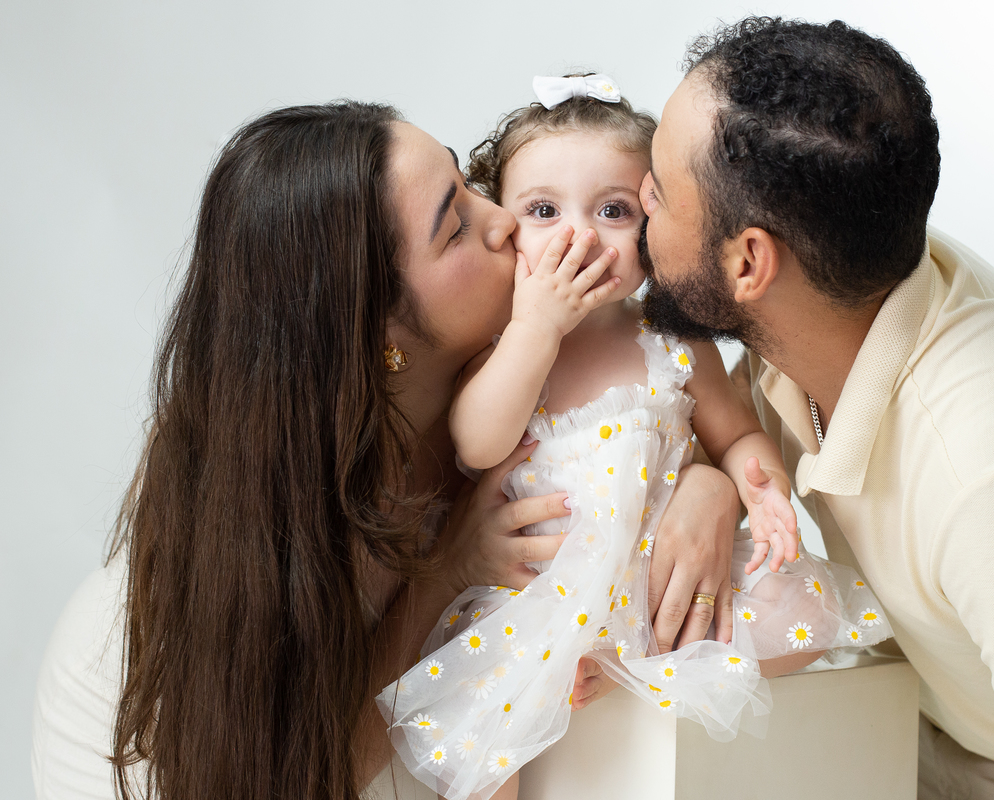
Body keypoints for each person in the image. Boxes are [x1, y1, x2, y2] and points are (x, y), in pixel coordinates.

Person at [30, 100, 741, 800]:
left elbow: (648, 436)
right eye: (456, 225)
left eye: (467, 182)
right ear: (377, 334)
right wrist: (446, 573)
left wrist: (708, 486)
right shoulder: (270, 539)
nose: (504, 219)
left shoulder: (528, 378)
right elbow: (303, 777)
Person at [637, 16, 994, 800]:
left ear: (749, 263)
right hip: (919, 713)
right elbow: (716, 419)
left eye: (659, 191)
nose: (637, 199)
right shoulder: (833, 292)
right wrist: (710, 482)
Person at [373, 75, 893, 800]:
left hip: (659, 587)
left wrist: (762, 488)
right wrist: (537, 326)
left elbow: (736, 433)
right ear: (507, 225)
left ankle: (624, 667)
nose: (580, 236)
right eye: (544, 211)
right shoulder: (504, 345)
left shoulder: (670, 340)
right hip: (540, 597)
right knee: (488, 744)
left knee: (801, 608)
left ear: (652, 226)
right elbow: (478, 444)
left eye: (613, 211)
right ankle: (588, 672)